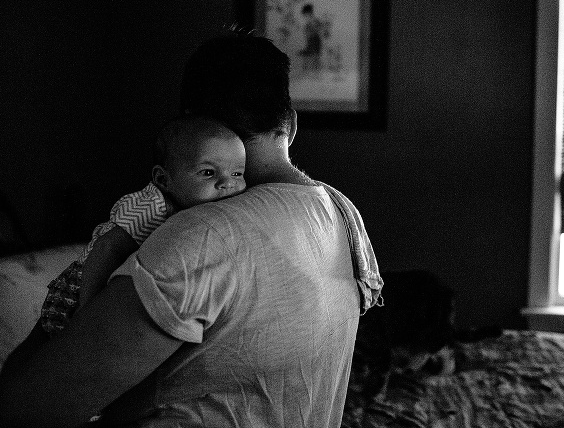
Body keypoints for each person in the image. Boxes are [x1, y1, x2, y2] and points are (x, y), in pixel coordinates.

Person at [0, 29, 382, 428]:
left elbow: (26, 408)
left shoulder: (204, 237)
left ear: (189, 122)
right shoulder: (342, 214)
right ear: (292, 124)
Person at [39, 114, 247, 334]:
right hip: (82, 285)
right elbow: (105, 249)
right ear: (163, 180)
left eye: (237, 173)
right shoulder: (151, 207)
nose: (227, 183)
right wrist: (88, 308)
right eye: (208, 172)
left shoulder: (196, 210)